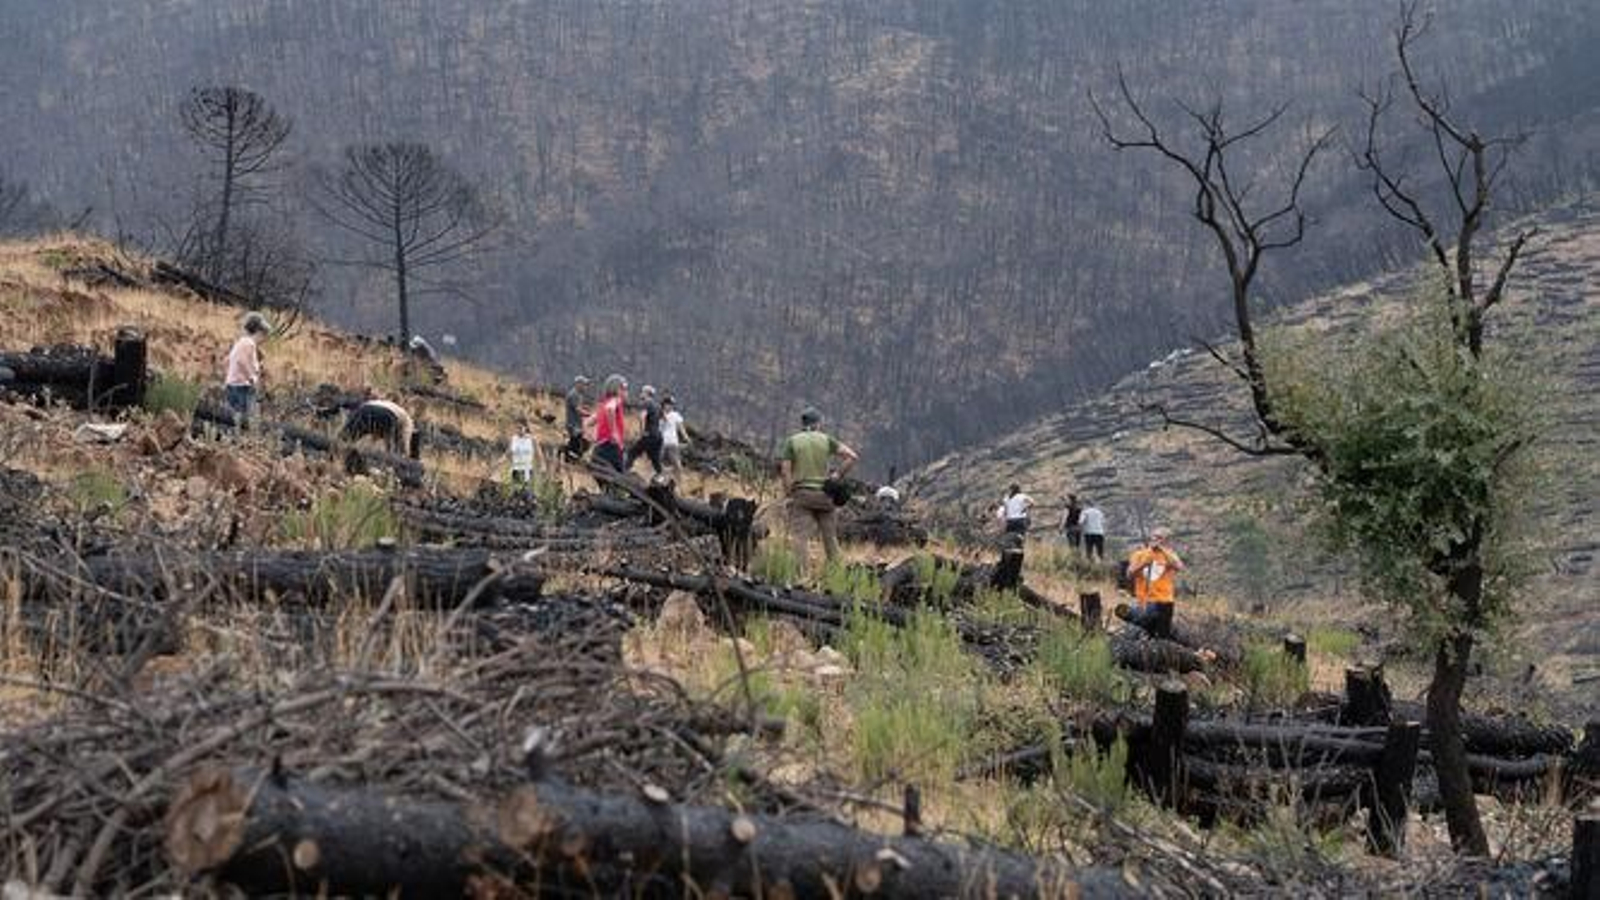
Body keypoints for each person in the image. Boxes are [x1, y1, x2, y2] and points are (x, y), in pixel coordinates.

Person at [779, 407, 858, 564]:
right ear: (818, 424)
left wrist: (789, 493)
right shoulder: (827, 440)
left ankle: (802, 577)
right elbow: (852, 457)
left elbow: (785, 471)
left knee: (800, 537)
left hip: (802, 495)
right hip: (825, 496)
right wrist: (836, 475)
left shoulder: (792, 441)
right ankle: (837, 574)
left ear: (803, 424)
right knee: (830, 538)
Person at [1123, 527, 1185, 638]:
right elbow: (1129, 574)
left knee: (1162, 635)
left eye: (1160, 538)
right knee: (1144, 632)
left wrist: (1162, 550)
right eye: (1154, 536)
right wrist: (1143, 564)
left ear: (1166, 541)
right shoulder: (1140, 554)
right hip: (1145, 600)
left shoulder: (1169, 555)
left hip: (1165, 601)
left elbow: (1179, 566)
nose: (1155, 540)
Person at [224, 312, 270, 422]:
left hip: (232, 385)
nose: (264, 340)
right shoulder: (249, 344)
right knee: (244, 419)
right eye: (264, 336)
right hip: (242, 387)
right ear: (259, 332)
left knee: (233, 416)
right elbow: (242, 361)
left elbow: (227, 361)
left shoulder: (240, 342)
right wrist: (251, 377)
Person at [340, 398, 420, 459]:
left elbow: (375, 436)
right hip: (387, 414)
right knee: (396, 454)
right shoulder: (408, 422)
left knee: (343, 440)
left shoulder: (395, 408)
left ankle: (336, 457)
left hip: (364, 410)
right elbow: (404, 446)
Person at [588, 374, 628, 471]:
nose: (626, 393)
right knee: (621, 481)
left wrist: (590, 436)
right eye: (625, 389)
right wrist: (614, 432)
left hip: (598, 450)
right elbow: (610, 409)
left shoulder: (603, 404)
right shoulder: (616, 400)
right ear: (617, 390)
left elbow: (589, 422)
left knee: (607, 482)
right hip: (611, 448)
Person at [626, 385, 665, 475]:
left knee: (631, 452)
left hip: (649, 434)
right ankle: (662, 476)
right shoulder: (657, 405)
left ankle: (624, 472)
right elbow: (663, 418)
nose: (641, 394)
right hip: (658, 436)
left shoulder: (646, 403)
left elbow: (642, 416)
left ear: (647, 393)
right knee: (655, 459)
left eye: (642, 392)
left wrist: (642, 432)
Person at [659, 394, 688, 477]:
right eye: (668, 404)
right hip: (662, 443)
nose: (670, 406)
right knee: (661, 464)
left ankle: (680, 482)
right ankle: (663, 480)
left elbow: (681, 428)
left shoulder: (675, 415)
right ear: (664, 404)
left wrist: (686, 438)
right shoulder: (659, 415)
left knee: (677, 465)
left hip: (672, 443)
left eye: (671, 404)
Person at [564, 376, 591, 460]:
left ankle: (570, 458)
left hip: (577, 424)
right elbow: (578, 409)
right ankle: (569, 458)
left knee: (577, 443)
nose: (586, 387)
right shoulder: (574, 394)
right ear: (578, 384)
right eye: (584, 384)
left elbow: (578, 407)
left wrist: (584, 408)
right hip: (573, 425)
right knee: (576, 444)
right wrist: (588, 414)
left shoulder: (578, 395)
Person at [509, 419, 537, 485]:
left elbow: (539, 454)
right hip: (516, 469)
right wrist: (498, 463)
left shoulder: (531, 439)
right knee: (516, 492)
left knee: (527, 492)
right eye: (517, 428)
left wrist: (542, 466)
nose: (519, 430)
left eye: (521, 428)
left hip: (526, 470)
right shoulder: (514, 439)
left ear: (526, 428)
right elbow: (508, 453)